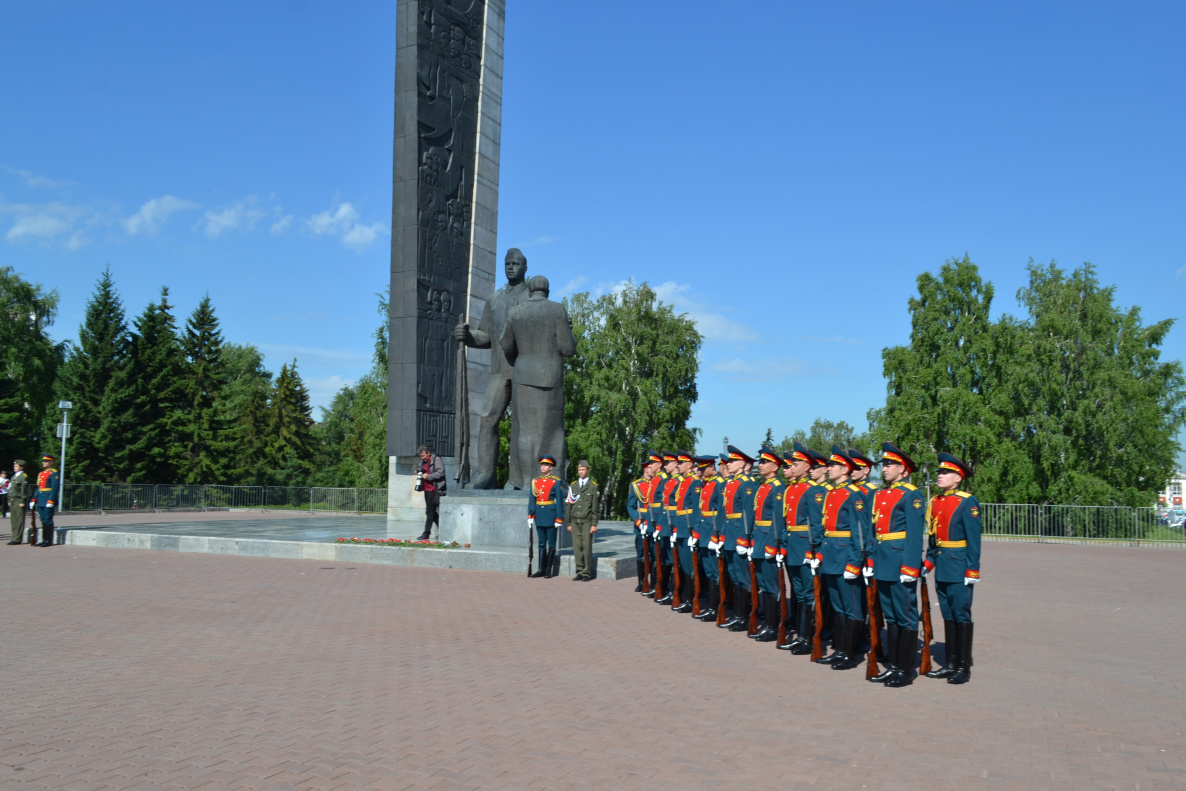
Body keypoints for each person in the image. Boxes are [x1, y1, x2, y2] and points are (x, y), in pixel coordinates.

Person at [455, 249, 530, 489]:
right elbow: (484, 335)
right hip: (500, 372)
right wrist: (467, 336)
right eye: (507, 263)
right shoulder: (495, 300)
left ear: (524, 268)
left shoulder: (533, 297)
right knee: (487, 419)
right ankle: (486, 474)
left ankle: (518, 479)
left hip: (525, 373)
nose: (510, 267)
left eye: (515, 264)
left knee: (522, 426)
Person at [499, 275, 578, 488]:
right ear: (547, 292)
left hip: (523, 376)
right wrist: (571, 332)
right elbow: (568, 348)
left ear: (531, 291)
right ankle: (555, 481)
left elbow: (506, 344)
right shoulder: (557, 310)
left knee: (524, 432)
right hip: (550, 378)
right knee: (553, 432)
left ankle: (524, 482)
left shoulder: (516, 312)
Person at [867, 442, 926, 687]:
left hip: (901, 560)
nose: (885, 468)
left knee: (906, 616)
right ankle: (893, 665)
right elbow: (873, 531)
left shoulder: (912, 494)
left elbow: (914, 534)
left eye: (890, 464)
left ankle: (905, 669)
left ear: (903, 469)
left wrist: (911, 567)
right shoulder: (880, 494)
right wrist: (871, 559)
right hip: (883, 559)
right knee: (891, 615)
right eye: (884, 464)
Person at [923, 452, 982, 685]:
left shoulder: (967, 501)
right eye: (939, 472)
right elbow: (934, 538)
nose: (940, 476)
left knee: (961, 615)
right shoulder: (936, 501)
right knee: (947, 615)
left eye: (945, 472)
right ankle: (950, 663)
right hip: (942, 565)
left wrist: (972, 570)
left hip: (959, 566)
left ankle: (963, 667)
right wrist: (928, 563)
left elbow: (973, 540)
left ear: (958, 478)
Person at [815, 446, 871, 669]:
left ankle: (850, 654)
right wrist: (819, 553)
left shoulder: (854, 495)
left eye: (832, 466)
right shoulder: (832, 493)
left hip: (846, 555)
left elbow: (861, 532)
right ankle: (839, 649)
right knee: (838, 607)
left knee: (853, 607)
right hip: (831, 554)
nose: (828, 469)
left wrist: (855, 562)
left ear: (845, 469)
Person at [778, 443, 822, 653]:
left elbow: (816, 524)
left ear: (806, 467)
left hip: (805, 546)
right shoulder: (791, 489)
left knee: (808, 594)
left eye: (796, 464)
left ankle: (809, 638)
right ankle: (801, 636)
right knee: (800, 593)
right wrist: (784, 547)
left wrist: (812, 551)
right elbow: (787, 522)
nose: (792, 467)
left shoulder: (813, 491)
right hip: (793, 545)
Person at [748, 446, 786, 643]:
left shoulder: (778, 488)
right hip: (759, 539)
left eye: (764, 462)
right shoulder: (763, 487)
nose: (760, 465)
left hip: (769, 540)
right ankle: (768, 623)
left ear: (775, 466)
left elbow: (778, 520)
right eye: (760, 462)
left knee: (772, 586)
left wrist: (773, 544)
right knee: (763, 584)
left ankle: (774, 625)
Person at [719, 445, 756, 632]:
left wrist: (745, 538)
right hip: (730, 533)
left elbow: (748, 513)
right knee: (735, 576)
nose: (729, 464)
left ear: (742, 464)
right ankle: (739, 616)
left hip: (739, 533)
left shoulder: (747, 484)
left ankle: (746, 617)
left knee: (744, 578)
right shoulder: (731, 483)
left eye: (732, 461)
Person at [693, 456, 726, 622]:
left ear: (712, 467)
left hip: (713, 530)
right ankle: (711, 607)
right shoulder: (706, 484)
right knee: (709, 571)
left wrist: (716, 535)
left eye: (703, 468)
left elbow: (721, 511)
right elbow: (700, 510)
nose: (700, 471)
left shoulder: (719, 483)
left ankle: (717, 608)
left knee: (716, 572)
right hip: (704, 530)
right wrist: (697, 534)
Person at [627, 452, 662, 593]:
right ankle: (642, 581)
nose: (650, 470)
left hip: (653, 524)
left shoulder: (657, 483)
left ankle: (653, 582)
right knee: (641, 555)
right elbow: (630, 506)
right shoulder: (635, 485)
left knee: (654, 554)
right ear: (645, 469)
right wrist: (638, 522)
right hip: (641, 524)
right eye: (648, 467)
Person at [528, 455, 566, 579]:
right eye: (542, 465)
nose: (542, 467)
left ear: (551, 467)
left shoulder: (556, 481)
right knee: (541, 544)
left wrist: (559, 518)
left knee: (552, 544)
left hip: (551, 515)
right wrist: (530, 514)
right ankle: (540, 569)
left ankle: (548, 569)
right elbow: (532, 499)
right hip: (539, 514)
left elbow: (559, 501)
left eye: (545, 465)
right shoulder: (535, 481)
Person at [651, 452, 680, 604]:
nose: (666, 465)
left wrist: (674, 528)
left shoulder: (679, 481)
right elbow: (664, 507)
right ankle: (666, 589)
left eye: (669, 462)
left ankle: (674, 591)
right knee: (666, 558)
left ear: (675, 464)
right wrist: (659, 527)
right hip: (666, 522)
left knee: (675, 560)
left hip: (674, 524)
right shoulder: (669, 481)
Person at [564, 460, 599, 581]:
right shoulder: (573, 486)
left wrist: (594, 524)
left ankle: (587, 573)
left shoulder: (593, 486)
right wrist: (568, 522)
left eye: (583, 470)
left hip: (586, 521)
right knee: (577, 547)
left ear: (588, 470)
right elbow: (569, 505)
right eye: (579, 470)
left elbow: (595, 508)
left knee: (587, 547)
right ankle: (579, 571)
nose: (581, 472)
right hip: (575, 521)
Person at [415, 446, 446, 541]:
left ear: (428, 453)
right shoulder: (423, 462)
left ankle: (426, 533)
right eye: (421, 456)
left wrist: (428, 476)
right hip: (426, 489)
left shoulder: (436, 459)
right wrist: (418, 471)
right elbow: (422, 469)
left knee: (429, 512)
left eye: (423, 455)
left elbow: (441, 472)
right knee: (431, 512)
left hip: (434, 489)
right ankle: (443, 529)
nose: (422, 458)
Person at [32, 454, 59, 547]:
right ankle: (44, 539)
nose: (43, 463)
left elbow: (55, 488)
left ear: (51, 462)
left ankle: (48, 540)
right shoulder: (41, 474)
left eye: (46, 461)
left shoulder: (54, 473)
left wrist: (51, 500)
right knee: (43, 520)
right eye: (43, 461)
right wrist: (34, 499)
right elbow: (39, 487)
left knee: (48, 520)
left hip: (48, 499)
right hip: (41, 499)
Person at [7, 460, 28, 545]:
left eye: (16, 466)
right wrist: (9, 499)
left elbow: (24, 490)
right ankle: (13, 537)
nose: (14, 467)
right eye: (14, 466)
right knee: (13, 520)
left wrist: (22, 500)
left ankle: (17, 539)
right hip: (13, 500)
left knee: (19, 520)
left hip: (19, 500)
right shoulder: (14, 476)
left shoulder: (23, 477)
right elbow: (10, 489)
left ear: (21, 467)